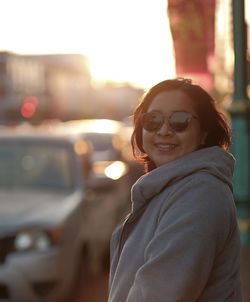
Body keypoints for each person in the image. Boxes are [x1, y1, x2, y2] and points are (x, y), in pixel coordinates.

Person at [108, 78, 242, 302]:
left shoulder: (200, 194)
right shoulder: (171, 186)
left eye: (180, 121)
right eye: (153, 120)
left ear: (204, 133)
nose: (164, 130)